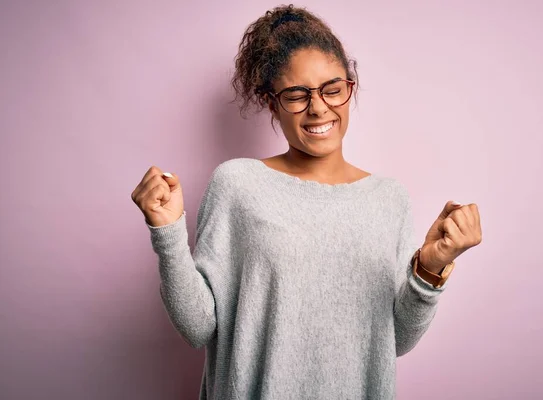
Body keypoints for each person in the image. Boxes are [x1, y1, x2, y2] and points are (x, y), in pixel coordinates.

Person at [131, 4, 482, 399]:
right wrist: (167, 234)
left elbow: (393, 342)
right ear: (272, 104)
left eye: (332, 89)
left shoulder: (388, 199)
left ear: (351, 88)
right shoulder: (238, 185)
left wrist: (430, 269)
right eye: (297, 95)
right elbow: (198, 328)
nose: (318, 107)